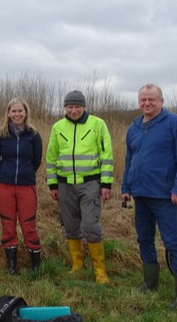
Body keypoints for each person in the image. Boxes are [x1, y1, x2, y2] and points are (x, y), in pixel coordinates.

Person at [121, 83, 177, 309]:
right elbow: (129, 161)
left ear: (161, 101)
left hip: (165, 196)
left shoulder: (175, 124)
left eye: (152, 99)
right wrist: (126, 188)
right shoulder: (134, 127)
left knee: (172, 242)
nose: (147, 103)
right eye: (143, 99)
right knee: (144, 239)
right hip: (140, 194)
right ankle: (150, 282)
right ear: (138, 102)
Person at [45, 90, 114, 285]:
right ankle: (77, 266)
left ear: (84, 106)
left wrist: (106, 183)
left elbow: (106, 155)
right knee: (70, 226)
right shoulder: (58, 127)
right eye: (69, 107)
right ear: (65, 108)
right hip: (65, 185)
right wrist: (52, 184)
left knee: (91, 225)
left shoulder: (97, 124)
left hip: (90, 183)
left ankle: (100, 271)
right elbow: (51, 158)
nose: (73, 110)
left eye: (77, 106)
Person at [0, 98, 43, 274]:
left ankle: (36, 266)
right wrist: (5, 172)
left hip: (26, 186)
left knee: (28, 225)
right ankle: (12, 266)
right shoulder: (0, 134)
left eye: (20, 111)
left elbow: (37, 160)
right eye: (13, 111)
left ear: (26, 112)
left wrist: (25, 173)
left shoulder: (34, 135)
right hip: (4, 185)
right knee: (7, 225)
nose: (17, 114)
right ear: (8, 113)